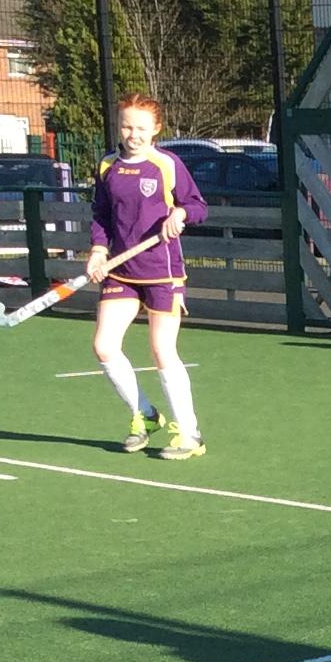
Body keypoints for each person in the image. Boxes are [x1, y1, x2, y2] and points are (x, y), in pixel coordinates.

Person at [86, 96, 208, 458]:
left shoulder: (166, 164)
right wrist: (98, 250)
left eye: (141, 128)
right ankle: (145, 414)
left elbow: (198, 206)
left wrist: (180, 215)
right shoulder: (108, 165)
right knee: (104, 346)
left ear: (156, 129)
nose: (133, 134)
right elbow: (101, 215)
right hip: (121, 271)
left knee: (161, 350)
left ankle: (190, 434)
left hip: (162, 271)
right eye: (126, 126)